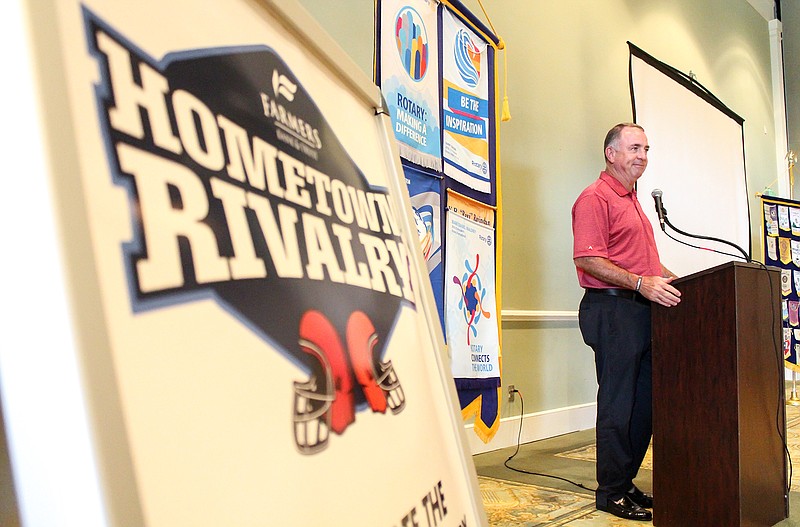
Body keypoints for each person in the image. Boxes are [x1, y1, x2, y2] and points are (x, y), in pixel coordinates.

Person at [571, 123, 681, 522]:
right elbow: (587, 260)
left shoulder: (633, 200)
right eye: (634, 148)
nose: (642, 156)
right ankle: (610, 493)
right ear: (611, 153)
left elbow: (644, 264)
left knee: (644, 406)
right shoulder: (595, 198)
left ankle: (625, 480)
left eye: (646, 149)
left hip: (641, 309)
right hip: (613, 310)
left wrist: (676, 282)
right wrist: (640, 283)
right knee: (619, 406)